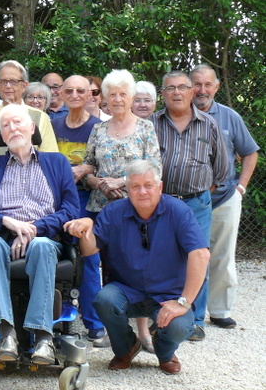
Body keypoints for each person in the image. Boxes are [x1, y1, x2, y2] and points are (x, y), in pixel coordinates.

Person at [0, 104, 79, 365]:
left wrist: (35, 228)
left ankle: (43, 336)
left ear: (32, 128)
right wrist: (5, 221)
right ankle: (6, 332)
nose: (13, 128)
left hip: (44, 238)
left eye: (18, 122)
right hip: (1, 236)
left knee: (42, 245)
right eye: (6, 125)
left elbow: (70, 210)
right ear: (1, 134)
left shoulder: (57, 162)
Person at [64, 160, 209, 375]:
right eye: (135, 186)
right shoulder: (114, 211)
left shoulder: (178, 211)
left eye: (148, 185)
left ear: (160, 186)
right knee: (104, 300)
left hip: (168, 293)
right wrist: (87, 227)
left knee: (179, 325)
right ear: (128, 189)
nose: (142, 192)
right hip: (126, 289)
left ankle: (165, 352)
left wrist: (183, 302)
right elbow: (89, 250)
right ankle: (126, 349)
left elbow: (200, 254)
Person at [77, 69, 161, 350]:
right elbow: (88, 166)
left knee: (134, 268)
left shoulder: (145, 128)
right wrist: (98, 183)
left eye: (123, 94)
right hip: (100, 207)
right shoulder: (98, 128)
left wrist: (122, 182)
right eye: (112, 94)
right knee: (96, 266)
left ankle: (142, 330)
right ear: (105, 99)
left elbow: (156, 170)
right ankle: (105, 326)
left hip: (135, 208)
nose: (117, 99)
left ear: (131, 97)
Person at [151, 70, 231, 341]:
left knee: (198, 259)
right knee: (158, 258)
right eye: (170, 88)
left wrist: (196, 195)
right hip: (160, 204)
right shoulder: (151, 123)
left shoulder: (208, 124)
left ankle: (195, 321)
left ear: (191, 92)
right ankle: (157, 316)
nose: (176, 93)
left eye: (182, 87)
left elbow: (220, 170)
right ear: (162, 94)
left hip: (196, 203)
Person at [190, 65, 259, 329]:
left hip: (225, 198)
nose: (202, 90)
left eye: (208, 84)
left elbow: (250, 152)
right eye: (197, 84)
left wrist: (240, 188)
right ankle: (188, 311)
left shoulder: (230, 117)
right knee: (191, 255)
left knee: (222, 256)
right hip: (191, 200)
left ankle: (219, 311)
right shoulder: (180, 115)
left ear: (216, 87)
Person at [50, 76, 105, 345]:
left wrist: (85, 169)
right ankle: (52, 318)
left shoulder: (99, 128)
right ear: (60, 93)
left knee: (88, 258)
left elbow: (103, 163)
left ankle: (94, 323)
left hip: (85, 199)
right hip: (53, 200)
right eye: (68, 90)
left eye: (80, 91)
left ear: (90, 95)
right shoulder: (52, 124)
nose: (74, 94)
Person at [0, 60, 58, 159]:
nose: (8, 86)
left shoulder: (40, 118)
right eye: (3, 81)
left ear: (24, 86)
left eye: (13, 82)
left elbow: (51, 158)